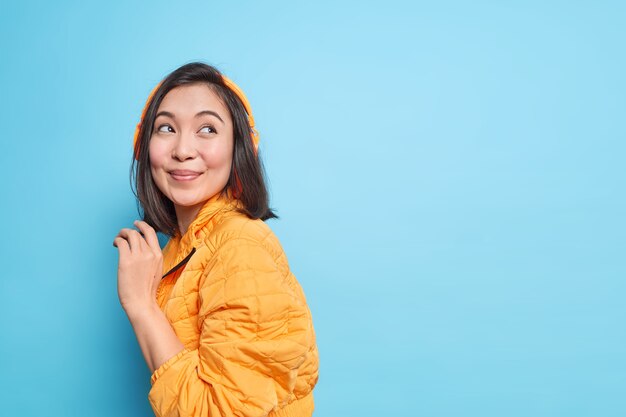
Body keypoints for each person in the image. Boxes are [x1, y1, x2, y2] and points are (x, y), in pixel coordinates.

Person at [112, 62, 319, 417]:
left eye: (207, 129)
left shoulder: (240, 247)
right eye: (166, 128)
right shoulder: (185, 246)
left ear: (239, 148)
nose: (182, 149)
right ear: (143, 146)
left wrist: (141, 306)